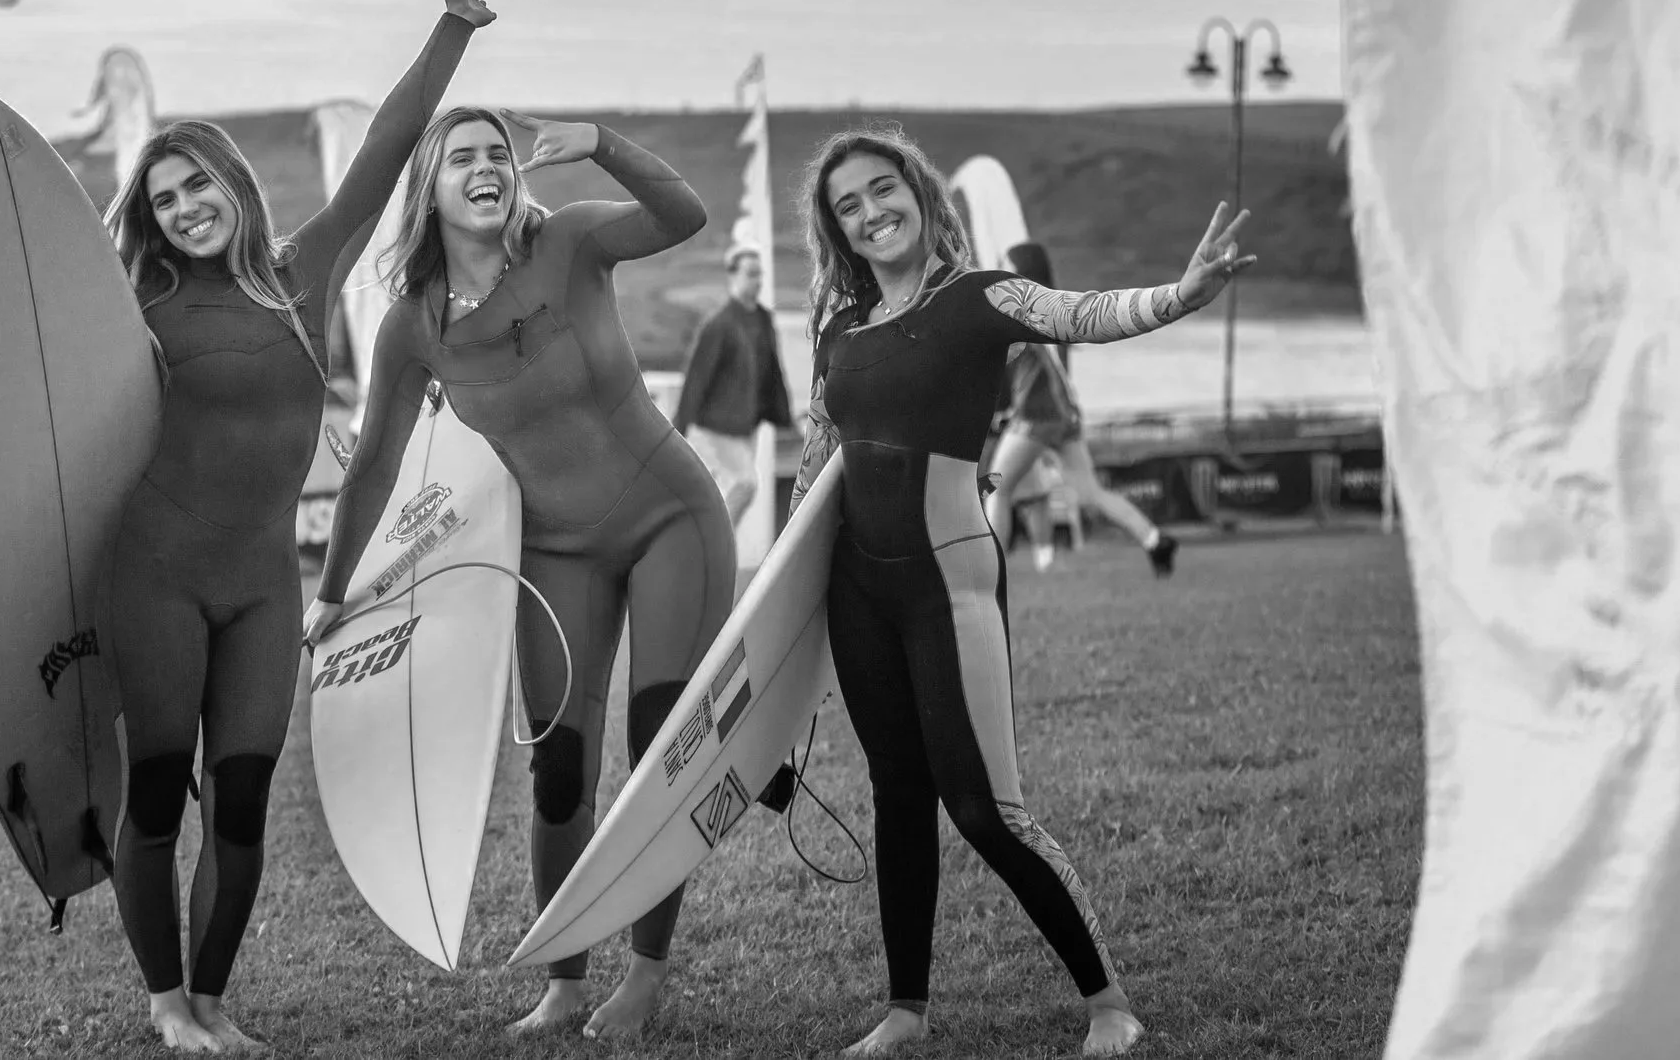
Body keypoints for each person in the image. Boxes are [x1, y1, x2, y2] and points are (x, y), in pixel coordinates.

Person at [791, 126, 1254, 1057]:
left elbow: (1080, 312)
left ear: (921, 195)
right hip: (854, 585)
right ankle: (904, 1010)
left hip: (944, 584)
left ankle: (1108, 1003)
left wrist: (1179, 295)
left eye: (884, 190)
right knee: (895, 792)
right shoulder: (837, 330)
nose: (871, 212)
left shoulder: (977, 297)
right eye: (849, 205)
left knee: (984, 808)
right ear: (836, 231)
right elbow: (817, 454)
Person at [102, 0, 493, 1053]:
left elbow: (389, 143)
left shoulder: (298, 276)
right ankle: (165, 1002)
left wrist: (453, 29)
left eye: (199, 187)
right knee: (156, 791)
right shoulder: (131, 304)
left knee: (241, 794)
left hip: (263, 583)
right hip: (154, 576)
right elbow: (36, 422)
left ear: (234, 185)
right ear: (150, 215)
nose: (186, 208)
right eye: (166, 197)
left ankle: (214, 999)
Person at [305, 108, 735, 1039]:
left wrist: (605, 144)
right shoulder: (413, 326)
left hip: (670, 518)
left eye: (496, 152)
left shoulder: (573, 242)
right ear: (430, 190)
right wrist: (334, 591)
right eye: (460, 156)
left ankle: (646, 973)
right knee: (559, 770)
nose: (484, 166)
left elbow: (684, 215)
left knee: (661, 745)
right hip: (552, 552)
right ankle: (564, 981)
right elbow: (375, 465)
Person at [985, 240, 1180, 576]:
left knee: (997, 488)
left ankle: (989, 572)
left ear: (1024, 272)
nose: (1004, 274)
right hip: (1065, 416)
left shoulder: (1025, 313)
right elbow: (1047, 375)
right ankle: (1154, 539)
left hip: (1037, 419)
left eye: (1008, 267)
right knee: (1091, 493)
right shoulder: (1056, 312)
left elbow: (1020, 372)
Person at [671, 242, 794, 531]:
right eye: (751, 274)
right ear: (733, 276)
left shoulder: (763, 318)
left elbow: (772, 371)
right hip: (715, 426)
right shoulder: (719, 324)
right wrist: (678, 429)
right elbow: (697, 378)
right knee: (745, 483)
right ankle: (717, 545)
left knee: (726, 490)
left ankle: (712, 548)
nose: (758, 280)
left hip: (746, 425)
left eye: (759, 273)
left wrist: (783, 416)